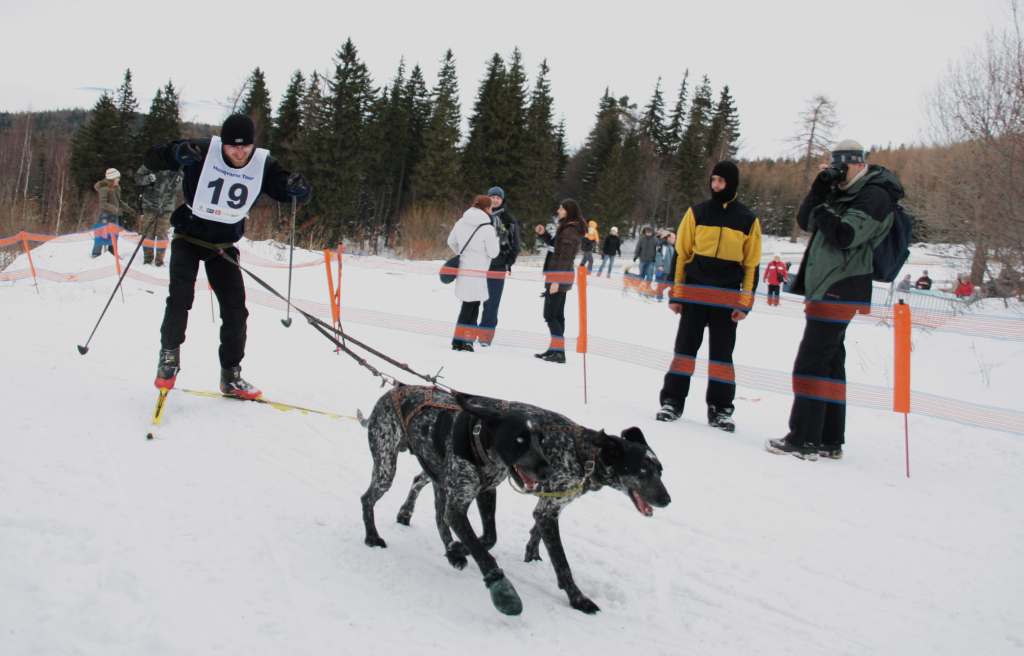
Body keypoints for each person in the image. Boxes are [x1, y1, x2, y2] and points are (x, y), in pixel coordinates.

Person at [145, 113, 311, 399]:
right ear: (223, 143)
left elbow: (284, 188)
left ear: (252, 144)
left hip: (221, 246)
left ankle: (231, 375)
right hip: (188, 235)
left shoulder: (262, 165)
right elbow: (154, 157)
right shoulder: (202, 151)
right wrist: (176, 153)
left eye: (245, 146)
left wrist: (299, 189)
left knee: (236, 311)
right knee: (180, 298)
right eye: (232, 146)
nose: (238, 152)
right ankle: (169, 357)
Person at [767, 140, 904, 460]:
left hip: (842, 286)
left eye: (843, 168)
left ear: (859, 165)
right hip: (827, 286)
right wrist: (819, 188)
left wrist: (824, 207)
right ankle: (829, 438)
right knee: (829, 364)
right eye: (834, 167)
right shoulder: (842, 191)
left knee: (811, 362)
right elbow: (806, 220)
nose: (839, 173)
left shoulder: (875, 194)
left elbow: (846, 235)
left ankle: (804, 439)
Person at [656, 161, 762, 432]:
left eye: (721, 181)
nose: (715, 185)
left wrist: (745, 303)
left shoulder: (748, 220)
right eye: (713, 180)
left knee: (722, 356)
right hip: (694, 293)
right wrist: (676, 294)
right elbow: (681, 254)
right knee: (685, 350)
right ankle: (672, 401)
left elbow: (751, 265)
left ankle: (721, 409)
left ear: (732, 184)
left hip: (727, 298)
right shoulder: (697, 213)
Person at [534, 199, 586, 363]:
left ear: (568, 211)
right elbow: (556, 246)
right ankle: (555, 349)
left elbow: (565, 257)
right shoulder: (567, 227)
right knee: (557, 315)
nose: (558, 210)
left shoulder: (570, 230)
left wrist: (556, 280)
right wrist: (544, 234)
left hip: (559, 276)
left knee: (550, 315)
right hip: (559, 275)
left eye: (561, 208)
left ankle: (559, 352)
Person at [448, 195, 501, 352]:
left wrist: (462, 255)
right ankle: (461, 341)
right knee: (471, 306)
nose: (492, 211)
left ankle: (462, 340)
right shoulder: (487, 228)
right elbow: (494, 252)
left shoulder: (461, 222)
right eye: (491, 208)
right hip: (478, 271)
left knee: (468, 304)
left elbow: (451, 241)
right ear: (486, 209)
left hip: (464, 269)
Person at [477, 186, 520, 347]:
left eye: (498, 198)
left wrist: (508, 262)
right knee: (472, 300)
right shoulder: (479, 216)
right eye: (492, 197)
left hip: (497, 267)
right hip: (478, 265)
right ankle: (468, 331)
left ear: (502, 200)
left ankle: (485, 336)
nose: (495, 200)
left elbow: (515, 244)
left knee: (491, 302)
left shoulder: (508, 218)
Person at [134, 164, 182, 266]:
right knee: (147, 234)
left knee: (162, 234)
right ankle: (147, 259)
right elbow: (138, 178)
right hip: (149, 205)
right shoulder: (151, 162)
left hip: (166, 207)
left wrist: (178, 182)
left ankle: (159, 261)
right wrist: (148, 178)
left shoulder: (176, 165)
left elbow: (182, 185)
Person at [91, 168, 134, 257]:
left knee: (114, 235)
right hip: (105, 215)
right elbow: (103, 204)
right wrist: (115, 209)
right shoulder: (104, 188)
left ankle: (112, 254)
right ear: (112, 178)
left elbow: (119, 201)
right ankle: (96, 254)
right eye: (117, 178)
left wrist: (129, 209)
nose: (119, 179)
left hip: (115, 216)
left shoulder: (117, 187)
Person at [653, 231, 676, 301]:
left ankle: (660, 294)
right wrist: (660, 265)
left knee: (669, 284)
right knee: (661, 283)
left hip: (669, 269)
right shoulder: (662, 246)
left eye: (674, 238)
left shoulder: (671, 247)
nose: (674, 240)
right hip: (662, 269)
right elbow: (658, 256)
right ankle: (659, 296)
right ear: (668, 238)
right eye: (673, 238)